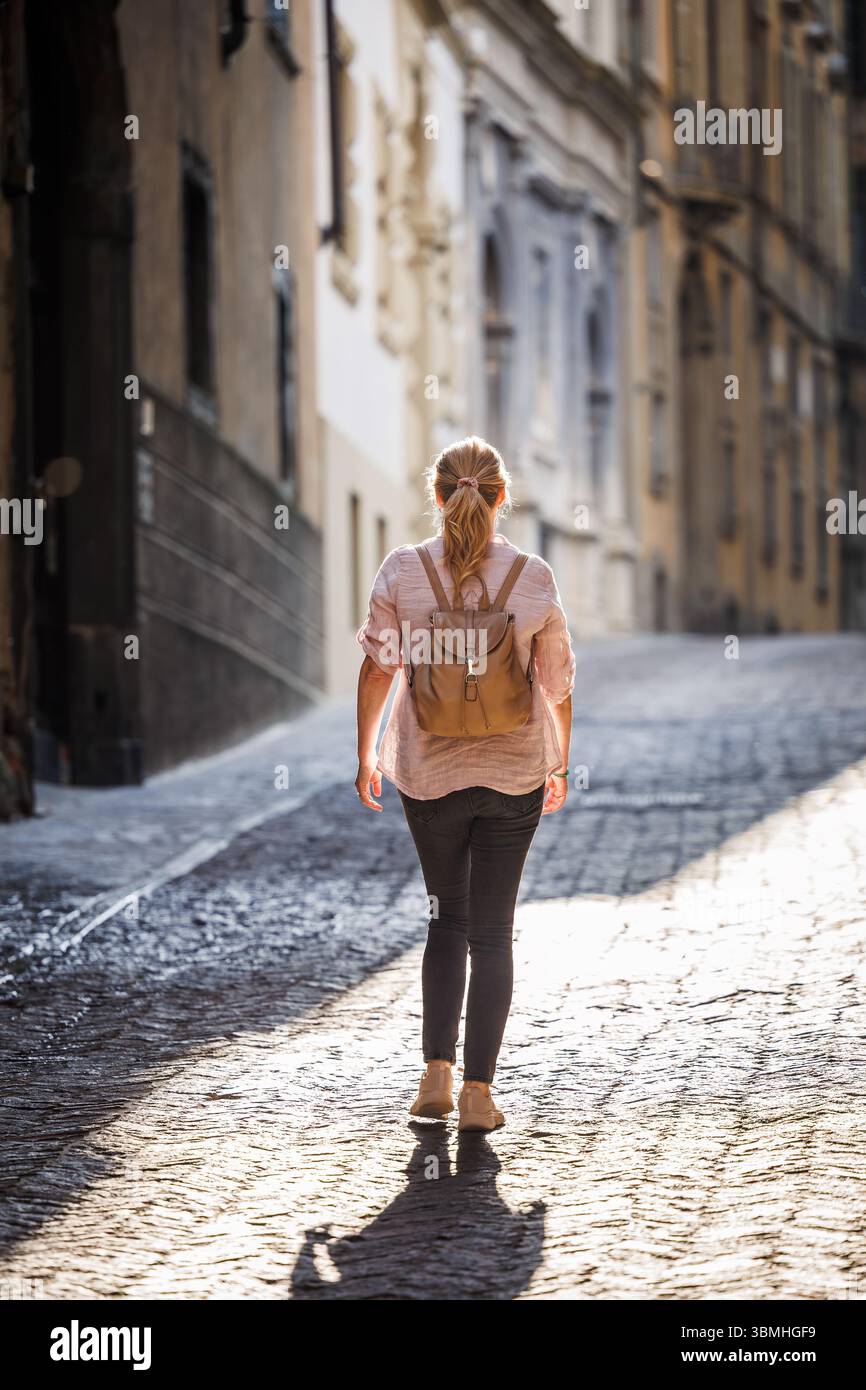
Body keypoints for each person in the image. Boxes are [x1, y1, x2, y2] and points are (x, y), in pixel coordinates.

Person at [355, 436, 575, 1132]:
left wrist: (366, 753)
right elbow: (558, 682)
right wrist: (560, 760)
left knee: (444, 919)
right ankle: (480, 1094)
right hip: (514, 774)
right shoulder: (534, 578)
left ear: (439, 494)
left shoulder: (403, 570)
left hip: (430, 774)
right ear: (503, 496)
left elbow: (379, 669)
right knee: (494, 931)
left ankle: (435, 1078)